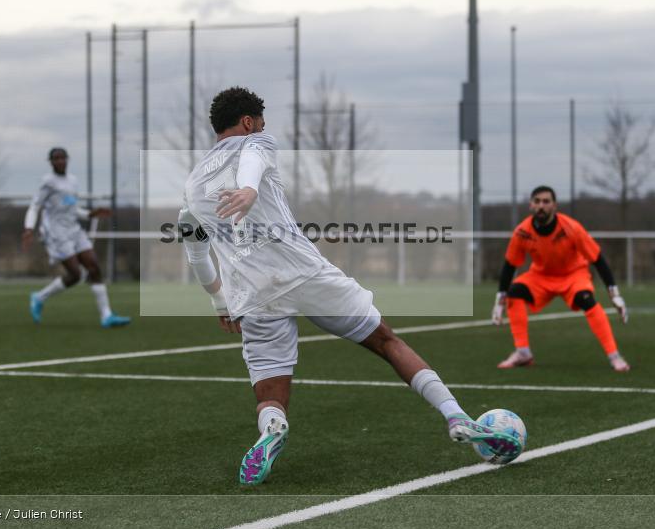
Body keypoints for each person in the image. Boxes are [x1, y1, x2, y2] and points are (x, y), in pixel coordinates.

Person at [178, 87, 521, 485]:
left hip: (253, 295)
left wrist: (221, 303)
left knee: (270, 389)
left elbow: (197, 256)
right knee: (387, 341)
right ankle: (456, 415)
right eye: (261, 124)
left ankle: (271, 428)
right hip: (304, 273)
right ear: (249, 122)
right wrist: (251, 189)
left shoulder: (191, 187)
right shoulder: (256, 141)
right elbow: (253, 157)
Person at [491, 185, 630, 372]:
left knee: (586, 300)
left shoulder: (571, 227)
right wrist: (499, 302)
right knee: (515, 292)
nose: (541, 205)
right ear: (531, 205)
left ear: (554, 205)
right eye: (537, 201)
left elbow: (597, 259)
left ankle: (615, 356)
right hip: (541, 275)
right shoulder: (522, 232)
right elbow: (510, 265)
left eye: (546, 201)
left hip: (573, 275)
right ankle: (523, 353)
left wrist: (615, 295)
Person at [22, 147, 131, 329]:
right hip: (57, 234)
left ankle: (107, 316)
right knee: (76, 274)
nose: (59, 161)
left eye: (62, 158)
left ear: (67, 159)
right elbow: (35, 206)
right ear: (50, 162)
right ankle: (39, 297)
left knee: (94, 267)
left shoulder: (73, 181)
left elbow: (71, 209)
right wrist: (28, 228)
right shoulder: (48, 182)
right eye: (55, 159)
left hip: (74, 230)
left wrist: (90, 214)